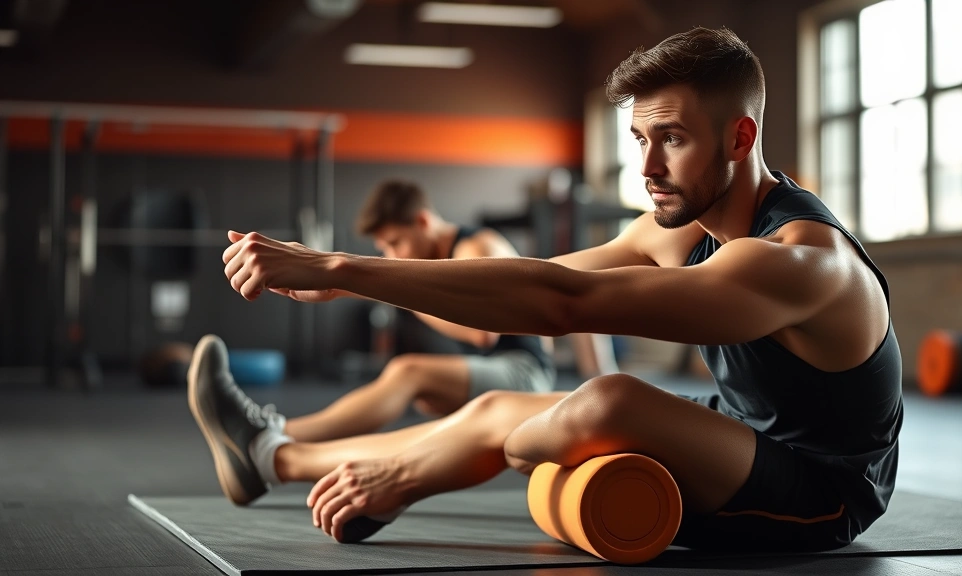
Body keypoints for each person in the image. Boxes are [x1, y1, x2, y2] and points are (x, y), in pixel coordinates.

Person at [189, 26, 902, 552]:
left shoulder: (798, 261)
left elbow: (565, 306)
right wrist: (352, 283)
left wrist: (342, 271)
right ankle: (269, 456)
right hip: (743, 430)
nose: (648, 167)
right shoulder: (679, 230)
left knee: (603, 401)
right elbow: (546, 279)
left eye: (673, 140)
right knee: (498, 404)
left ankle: (400, 476)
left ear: (739, 139)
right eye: (638, 140)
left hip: (822, 493)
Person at [251, 180, 555, 446]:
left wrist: (392, 290)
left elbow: (484, 333)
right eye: (385, 248)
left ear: (422, 221)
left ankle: (273, 434)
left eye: (396, 243)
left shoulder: (475, 247)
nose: (393, 257)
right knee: (421, 396)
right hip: (496, 367)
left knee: (408, 372)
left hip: (528, 375)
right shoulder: (446, 251)